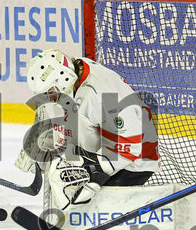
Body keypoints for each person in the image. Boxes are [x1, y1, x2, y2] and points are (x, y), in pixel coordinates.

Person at [17, 49, 159, 211]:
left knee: (63, 173)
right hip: (106, 144)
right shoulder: (74, 71)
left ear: (64, 77)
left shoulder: (103, 94)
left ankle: (74, 210)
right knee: (61, 163)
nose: (49, 97)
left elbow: (131, 145)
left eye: (50, 92)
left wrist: (96, 171)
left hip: (133, 161)